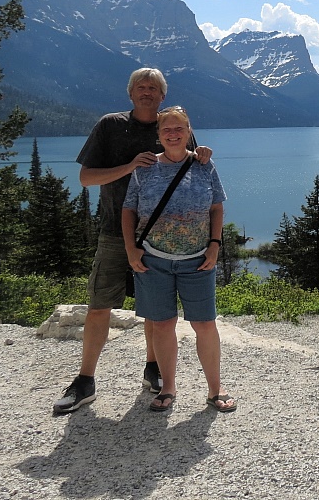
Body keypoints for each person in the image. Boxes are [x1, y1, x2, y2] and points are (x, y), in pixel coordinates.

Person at [53, 68, 212, 415]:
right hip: (115, 231)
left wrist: (202, 156)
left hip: (160, 241)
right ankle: (84, 380)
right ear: (130, 93)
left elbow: (195, 165)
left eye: (153, 88)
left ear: (162, 95)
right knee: (99, 305)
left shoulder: (173, 125)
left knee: (156, 313)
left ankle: (153, 369)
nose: (147, 93)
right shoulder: (110, 125)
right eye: (141, 88)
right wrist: (129, 167)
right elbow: (85, 177)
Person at [122, 105, 236, 413]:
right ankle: (168, 387)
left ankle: (215, 389)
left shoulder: (204, 165)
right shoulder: (144, 168)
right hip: (153, 261)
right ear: (159, 135)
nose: (173, 134)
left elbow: (216, 207)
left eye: (179, 129)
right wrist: (131, 250)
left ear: (188, 132)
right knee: (162, 324)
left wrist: (214, 245)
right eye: (166, 130)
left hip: (197, 260)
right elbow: (128, 210)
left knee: (204, 324)